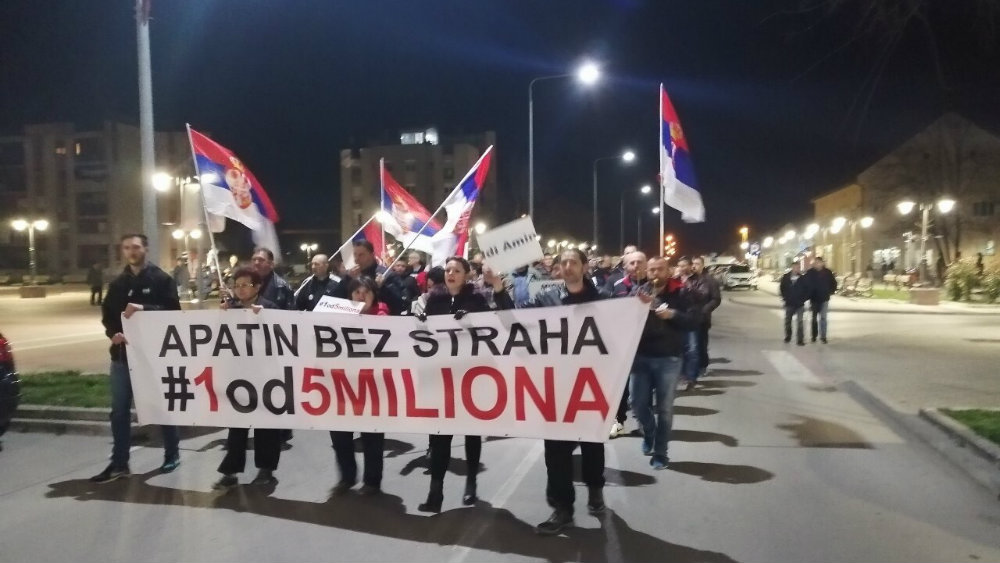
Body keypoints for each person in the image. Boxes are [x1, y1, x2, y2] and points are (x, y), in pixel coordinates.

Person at [521, 248, 607, 536]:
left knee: (592, 445)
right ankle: (563, 509)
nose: (568, 266)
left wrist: (643, 306)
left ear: (584, 267)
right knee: (555, 451)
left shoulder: (605, 300)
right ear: (557, 268)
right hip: (556, 386)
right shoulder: (547, 299)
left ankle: (595, 487)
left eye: (573, 262)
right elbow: (514, 318)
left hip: (592, 386)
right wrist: (497, 289)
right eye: (563, 262)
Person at [417, 257, 511, 512]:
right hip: (442, 377)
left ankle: (471, 482)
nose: (450, 274)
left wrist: (472, 321)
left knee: (471, 432)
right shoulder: (434, 300)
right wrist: (422, 320)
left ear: (467, 274)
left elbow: (497, 325)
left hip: (470, 376)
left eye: (456, 270)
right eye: (448, 270)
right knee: (440, 436)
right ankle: (435, 491)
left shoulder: (477, 300)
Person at [90, 234, 181, 483]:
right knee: (119, 412)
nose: (131, 251)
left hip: (153, 358)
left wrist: (145, 309)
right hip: (122, 358)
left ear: (146, 249)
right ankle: (119, 463)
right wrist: (113, 334)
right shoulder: (118, 284)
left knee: (162, 407)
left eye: (136, 247)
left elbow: (174, 313)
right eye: (127, 247)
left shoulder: (161, 280)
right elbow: (108, 316)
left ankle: (172, 454)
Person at [213, 266, 284, 489]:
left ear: (258, 287)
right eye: (237, 285)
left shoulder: (269, 308)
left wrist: (264, 317)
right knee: (237, 425)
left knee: (265, 425)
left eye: (246, 285)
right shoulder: (230, 309)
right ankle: (231, 470)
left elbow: (281, 337)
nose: (240, 289)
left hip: (265, 375)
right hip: (238, 375)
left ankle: (266, 469)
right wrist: (222, 316)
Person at [630, 256, 699, 470]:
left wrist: (672, 314)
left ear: (668, 271)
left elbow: (694, 321)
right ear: (646, 272)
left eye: (660, 269)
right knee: (637, 403)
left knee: (665, 409)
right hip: (641, 357)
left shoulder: (682, 293)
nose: (655, 273)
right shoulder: (639, 292)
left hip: (669, 358)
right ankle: (649, 432)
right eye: (651, 269)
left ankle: (661, 452)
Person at [330, 276, 389, 496]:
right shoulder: (337, 317)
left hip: (372, 386)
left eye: (366, 292)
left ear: (374, 296)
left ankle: (372, 481)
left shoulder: (383, 318)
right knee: (340, 434)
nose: (361, 296)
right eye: (357, 292)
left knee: (371, 435)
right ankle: (347, 476)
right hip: (342, 384)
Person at [251, 247, 295, 447]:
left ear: (271, 263)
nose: (256, 263)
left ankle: (283, 428)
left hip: (276, 346)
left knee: (278, 389)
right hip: (253, 348)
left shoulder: (282, 286)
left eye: (261, 260)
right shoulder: (248, 283)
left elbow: (291, 317)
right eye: (254, 259)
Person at [607, 250, 647, 439]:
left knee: (642, 388)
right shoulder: (616, 285)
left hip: (647, 344)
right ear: (625, 266)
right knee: (620, 387)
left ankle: (643, 422)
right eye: (632, 263)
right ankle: (618, 421)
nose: (636, 266)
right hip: (622, 344)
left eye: (640, 262)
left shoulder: (654, 285)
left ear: (646, 265)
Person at [690, 257, 722, 379]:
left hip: (702, 319)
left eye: (697, 264)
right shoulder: (689, 279)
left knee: (701, 344)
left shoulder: (710, 281)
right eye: (693, 263)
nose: (694, 266)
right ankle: (692, 368)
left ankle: (703, 366)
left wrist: (705, 310)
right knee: (691, 345)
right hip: (689, 317)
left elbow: (716, 299)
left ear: (703, 265)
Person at [806, 257, 837, 343]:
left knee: (823, 318)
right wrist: (807, 294)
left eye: (818, 262)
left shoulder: (827, 272)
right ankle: (814, 336)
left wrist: (831, 291)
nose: (817, 264)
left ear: (822, 263)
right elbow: (805, 283)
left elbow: (834, 283)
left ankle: (823, 336)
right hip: (814, 299)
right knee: (814, 319)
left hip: (824, 299)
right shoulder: (810, 272)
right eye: (815, 262)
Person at [780, 262, 812, 345]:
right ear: (792, 267)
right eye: (795, 267)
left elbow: (807, 290)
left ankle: (800, 339)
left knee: (800, 322)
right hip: (789, 303)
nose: (796, 269)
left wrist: (803, 299)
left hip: (799, 304)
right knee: (788, 321)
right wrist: (785, 297)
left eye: (798, 267)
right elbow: (782, 288)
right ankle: (788, 336)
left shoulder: (802, 278)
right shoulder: (786, 277)